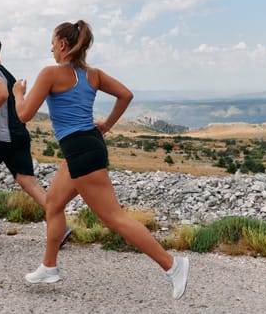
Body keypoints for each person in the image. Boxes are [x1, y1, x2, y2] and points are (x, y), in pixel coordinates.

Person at [12, 21, 189, 299]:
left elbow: (23, 115)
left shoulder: (50, 74)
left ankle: (172, 265)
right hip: (87, 145)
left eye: (52, 43)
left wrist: (18, 93)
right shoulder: (93, 74)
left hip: (80, 151)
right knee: (54, 204)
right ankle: (49, 267)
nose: (50, 49)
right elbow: (126, 95)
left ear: (62, 45)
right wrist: (106, 124)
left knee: (113, 219)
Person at [0, 33, 73, 247]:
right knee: (28, 182)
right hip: (19, 135)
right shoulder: (7, 74)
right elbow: (7, 99)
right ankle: (61, 228)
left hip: (1, 137)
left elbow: (3, 96)